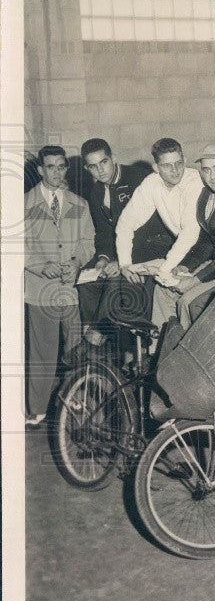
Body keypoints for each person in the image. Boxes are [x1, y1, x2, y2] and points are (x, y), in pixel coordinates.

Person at [76, 137, 171, 352]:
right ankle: (95, 342)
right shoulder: (96, 192)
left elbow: (149, 228)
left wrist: (120, 261)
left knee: (115, 280)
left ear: (114, 159)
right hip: (121, 252)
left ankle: (96, 336)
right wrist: (103, 258)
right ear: (86, 168)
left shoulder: (139, 178)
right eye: (93, 166)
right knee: (85, 280)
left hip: (152, 247)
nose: (100, 170)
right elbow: (104, 233)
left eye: (104, 162)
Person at [24, 146, 95, 426]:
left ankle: (75, 399)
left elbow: (88, 242)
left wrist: (78, 261)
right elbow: (15, 247)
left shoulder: (80, 204)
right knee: (43, 352)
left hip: (69, 287)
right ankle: (37, 408)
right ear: (40, 170)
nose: (56, 172)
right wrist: (40, 266)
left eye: (61, 166)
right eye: (50, 167)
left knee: (74, 348)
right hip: (39, 289)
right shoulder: (23, 204)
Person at [154, 145, 215, 329]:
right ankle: (161, 347)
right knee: (162, 290)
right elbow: (206, 240)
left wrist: (195, 280)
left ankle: (187, 350)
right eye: (206, 170)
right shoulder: (207, 193)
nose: (212, 176)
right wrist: (186, 265)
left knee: (187, 301)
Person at [114, 137, 204, 312]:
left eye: (179, 163)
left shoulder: (194, 182)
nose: (175, 170)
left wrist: (163, 270)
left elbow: (190, 233)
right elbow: (125, 223)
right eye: (167, 166)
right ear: (156, 168)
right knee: (129, 283)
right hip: (182, 249)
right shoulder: (151, 183)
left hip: (204, 250)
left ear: (185, 161)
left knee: (158, 290)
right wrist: (125, 264)